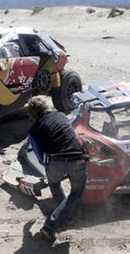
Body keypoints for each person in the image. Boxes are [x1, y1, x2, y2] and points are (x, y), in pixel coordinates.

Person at [26, 96, 86, 242]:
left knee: (54, 183)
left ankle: (58, 221)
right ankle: (59, 221)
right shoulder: (61, 115)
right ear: (46, 105)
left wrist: (47, 166)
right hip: (77, 158)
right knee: (76, 193)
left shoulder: (34, 130)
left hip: (56, 160)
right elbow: (70, 132)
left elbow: (39, 154)